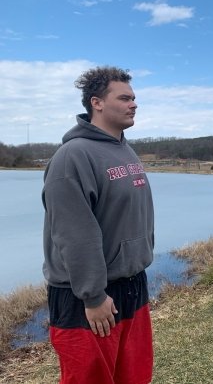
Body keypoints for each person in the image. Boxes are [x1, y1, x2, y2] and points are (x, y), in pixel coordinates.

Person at [42, 66, 154, 384]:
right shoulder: (73, 156)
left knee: (134, 376)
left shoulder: (125, 150)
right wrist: (93, 296)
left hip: (131, 286)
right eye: (124, 98)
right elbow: (73, 232)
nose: (133, 104)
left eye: (134, 98)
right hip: (87, 298)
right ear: (97, 103)